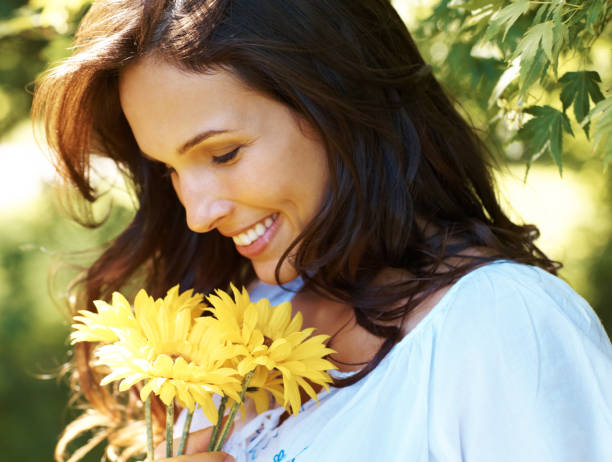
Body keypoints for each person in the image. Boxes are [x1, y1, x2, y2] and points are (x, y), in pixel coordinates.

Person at [33, 0, 612, 461]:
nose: (196, 214)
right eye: (169, 170)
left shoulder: (503, 326)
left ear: (340, 105)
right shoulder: (240, 323)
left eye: (224, 153)